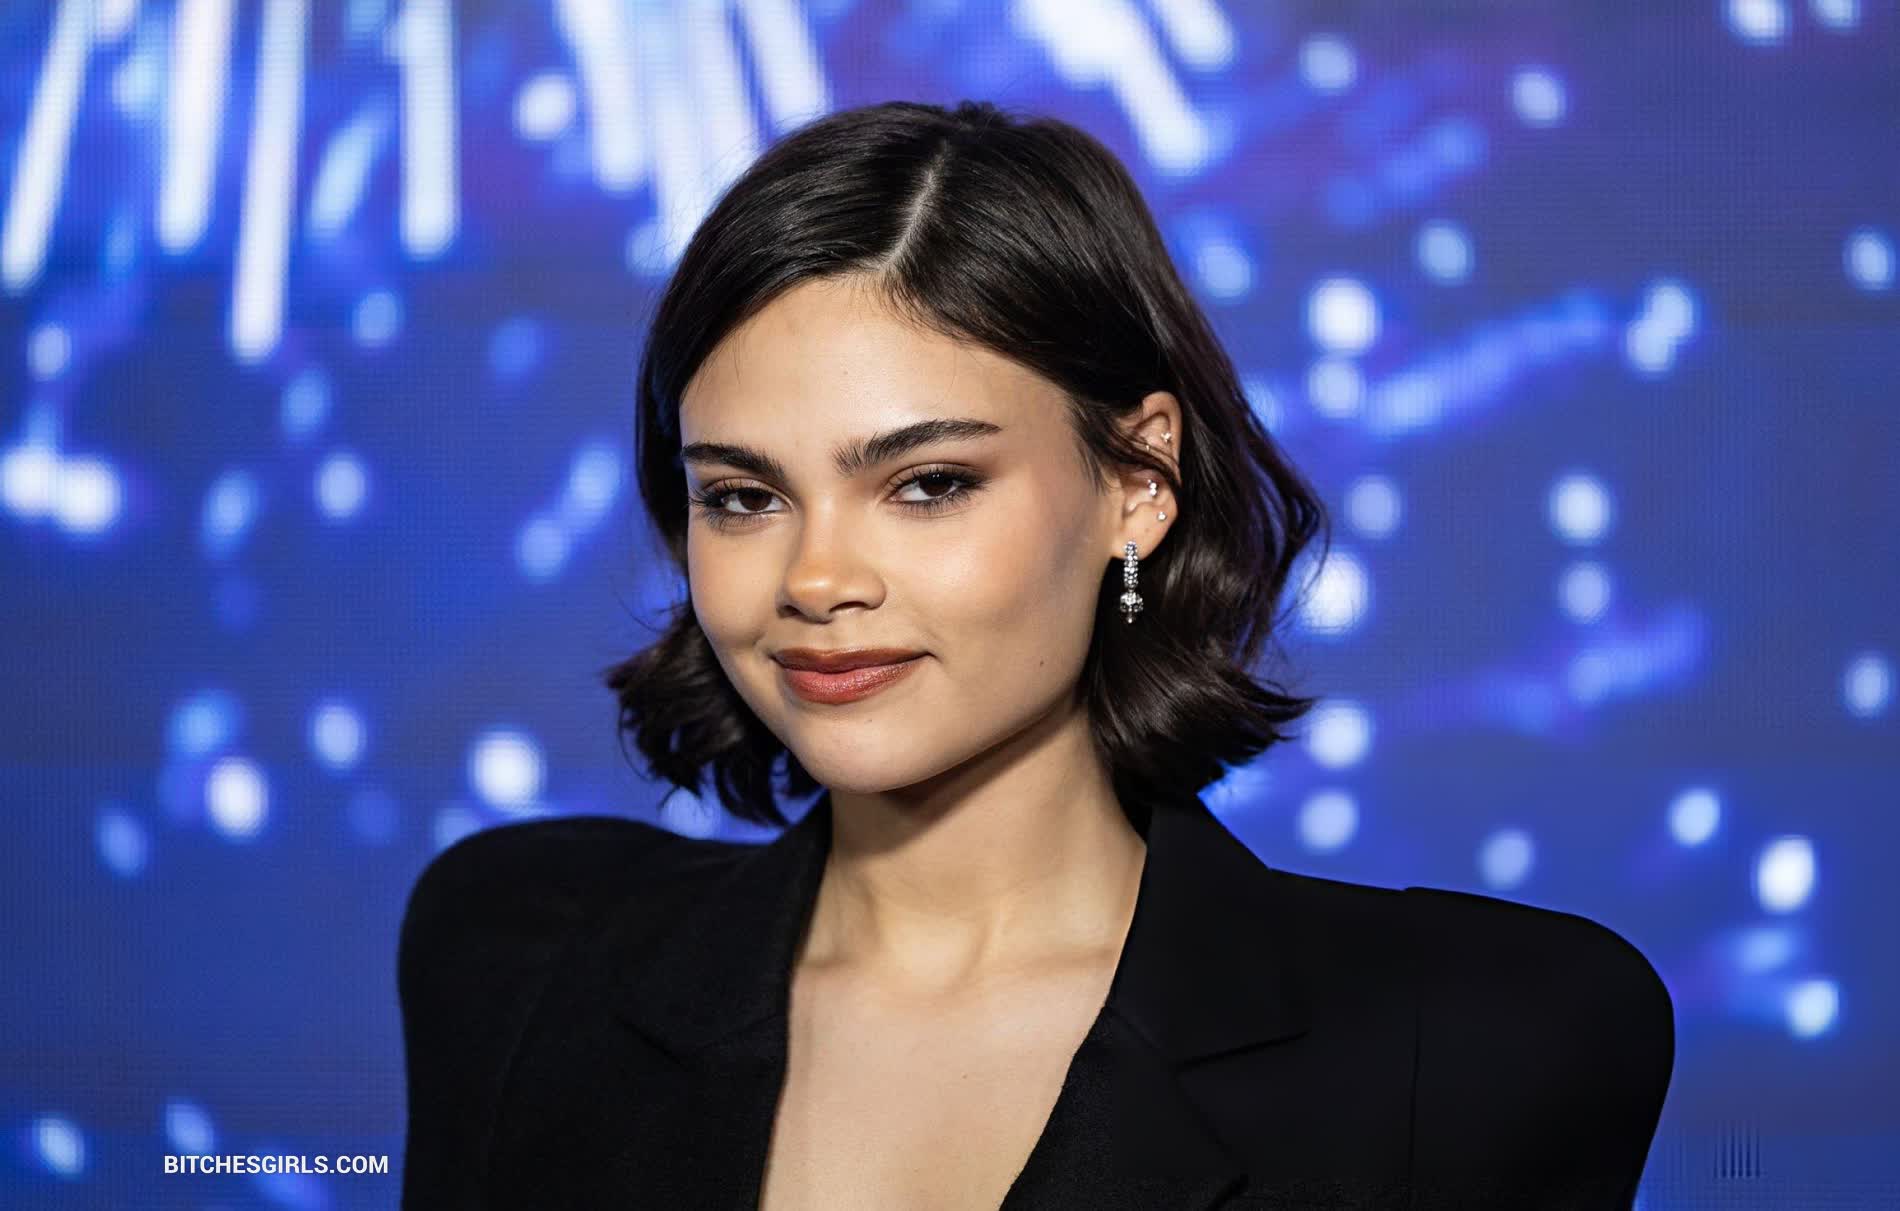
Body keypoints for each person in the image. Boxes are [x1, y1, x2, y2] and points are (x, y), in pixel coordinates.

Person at [397, 99, 1673, 1209]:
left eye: (928, 482)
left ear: (1138, 482)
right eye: (743, 496)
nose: (816, 579)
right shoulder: (520, 957)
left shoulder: (1467, 1046)